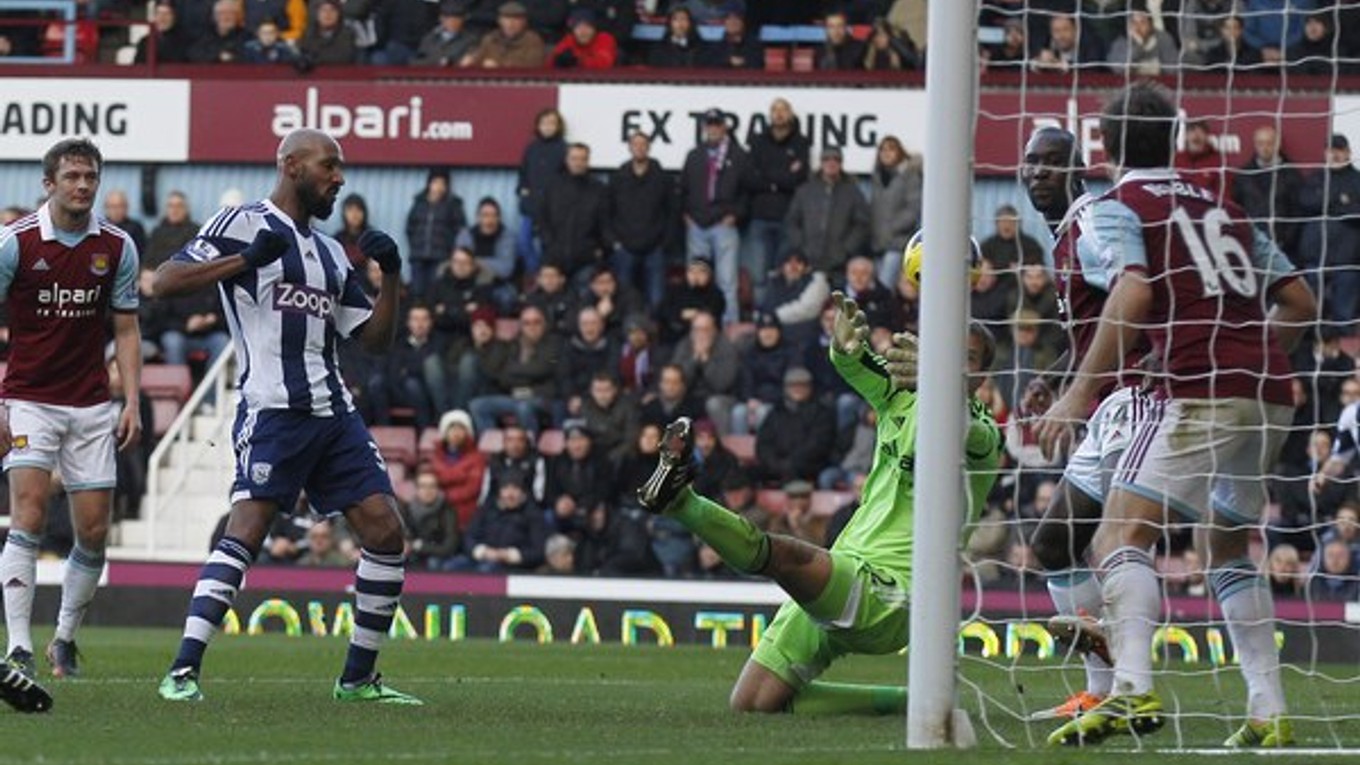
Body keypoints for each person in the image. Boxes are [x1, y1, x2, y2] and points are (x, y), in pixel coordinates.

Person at [1038, 82, 1317, 748]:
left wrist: (1078, 392)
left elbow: (1132, 288)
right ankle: (1268, 709)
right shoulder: (1225, 206)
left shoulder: (1115, 205)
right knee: (1223, 546)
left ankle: (1130, 691)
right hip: (1270, 390)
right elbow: (1301, 300)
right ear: (1174, 140)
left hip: (1196, 387)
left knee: (1117, 537)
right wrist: (1249, 355)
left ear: (1103, 145)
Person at [152, 129, 420, 705]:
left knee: (386, 531)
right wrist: (246, 261)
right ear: (291, 164)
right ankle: (181, 670)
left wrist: (391, 277)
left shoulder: (327, 252)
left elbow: (371, 340)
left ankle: (357, 680)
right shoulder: (241, 223)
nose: (339, 178)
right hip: (273, 408)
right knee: (246, 530)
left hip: (334, 414)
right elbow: (165, 281)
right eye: (330, 165)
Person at [636, 294, 1001, 714]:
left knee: (788, 556)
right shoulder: (898, 397)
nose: (953, 362)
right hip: (847, 567)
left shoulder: (984, 436)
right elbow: (855, 363)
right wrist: (843, 345)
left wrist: (940, 378)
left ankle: (682, 502)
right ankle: (916, 705)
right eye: (946, 350)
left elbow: (964, 426)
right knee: (753, 703)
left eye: (967, 358)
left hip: (898, 595)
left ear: (982, 376)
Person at [0, 139, 142, 711]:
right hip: (30, 397)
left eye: (90, 176)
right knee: (29, 512)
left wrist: (130, 399)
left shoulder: (118, 247)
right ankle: (18, 647)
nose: (83, 185)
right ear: (49, 183)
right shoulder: (16, 244)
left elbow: (126, 329)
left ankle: (63, 640)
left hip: (89, 404)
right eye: (73, 176)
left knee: (93, 531)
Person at [681, 109, 750, 324]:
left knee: (727, 281)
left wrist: (735, 215)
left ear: (724, 127)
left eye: (716, 124)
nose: (712, 129)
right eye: (709, 125)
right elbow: (682, 188)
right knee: (696, 280)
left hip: (723, 223)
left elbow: (748, 191)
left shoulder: (738, 155)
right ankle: (697, 326)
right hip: (697, 224)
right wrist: (686, 214)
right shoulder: (694, 155)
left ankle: (729, 329)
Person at [744, 99, 811, 304]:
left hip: (788, 217)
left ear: (790, 114)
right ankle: (762, 317)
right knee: (759, 274)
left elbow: (799, 178)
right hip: (760, 217)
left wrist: (769, 178)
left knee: (784, 273)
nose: (779, 114)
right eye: (775, 110)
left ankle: (779, 318)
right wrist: (782, 177)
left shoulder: (800, 142)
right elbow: (751, 178)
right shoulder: (757, 141)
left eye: (783, 110)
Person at [608, 131, 673, 307]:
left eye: (643, 144)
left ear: (649, 147)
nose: (639, 148)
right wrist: (614, 242)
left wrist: (664, 242)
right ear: (629, 147)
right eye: (635, 144)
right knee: (623, 298)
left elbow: (672, 211)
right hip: (624, 247)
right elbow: (607, 211)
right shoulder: (618, 177)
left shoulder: (662, 178)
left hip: (655, 247)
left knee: (657, 298)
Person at [784, 147, 870, 276]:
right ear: (821, 163)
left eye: (836, 159)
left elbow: (862, 224)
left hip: (840, 264)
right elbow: (792, 221)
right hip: (808, 261)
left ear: (841, 163)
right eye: (826, 159)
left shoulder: (853, 192)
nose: (831, 163)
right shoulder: (805, 190)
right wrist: (801, 247)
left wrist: (846, 249)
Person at [539, 143, 608, 283]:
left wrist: (601, 250)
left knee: (583, 300)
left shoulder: (598, 189)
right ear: (567, 160)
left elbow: (605, 222)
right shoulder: (553, 186)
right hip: (555, 259)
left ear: (588, 161)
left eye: (583, 159)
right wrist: (549, 245)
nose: (578, 163)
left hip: (587, 260)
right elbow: (542, 219)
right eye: (574, 158)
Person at [1233, 125, 1303, 261]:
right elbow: (1237, 208)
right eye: (1260, 143)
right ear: (1255, 145)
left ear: (1277, 144)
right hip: (1251, 246)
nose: (1265, 148)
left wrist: (1286, 240)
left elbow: (1298, 212)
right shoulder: (1244, 175)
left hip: (1283, 248)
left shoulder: (1291, 175)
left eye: (1269, 143)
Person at [515, 109, 567, 276]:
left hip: (553, 209)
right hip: (530, 206)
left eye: (552, 123)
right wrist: (523, 191)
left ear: (558, 126)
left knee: (548, 247)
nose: (548, 127)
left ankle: (548, 280)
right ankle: (535, 275)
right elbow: (523, 172)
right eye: (544, 123)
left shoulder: (564, 149)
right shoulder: (531, 148)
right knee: (524, 243)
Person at [868, 135, 922, 289]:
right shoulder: (877, 176)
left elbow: (913, 208)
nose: (886, 153)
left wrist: (892, 227)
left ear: (900, 152)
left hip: (897, 243)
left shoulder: (910, 175)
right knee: (878, 287)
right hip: (877, 244)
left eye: (891, 149)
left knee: (885, 287)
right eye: (883, 149)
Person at [404, 167, 467, 299]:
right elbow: (410, 227)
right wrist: (415, 245)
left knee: (434, 291)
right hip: (418, 256)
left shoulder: (453, 204)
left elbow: (460, 230)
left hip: (440, 257)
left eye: (443, 183)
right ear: (429, 183)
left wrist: (450, 250)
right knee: (416, 291)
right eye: (436, 182)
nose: (439, 187)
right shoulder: (419, 202)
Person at [459, 1, 545, 68]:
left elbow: (534, 65)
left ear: (524, 22)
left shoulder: (533, 40)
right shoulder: (490, 38)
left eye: (515, 20)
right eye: (506, 19)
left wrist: (500, 66)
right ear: (499, 21)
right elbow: (478, 58)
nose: (510, 24)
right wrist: (470, 60)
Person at [1106, 8, 1179, 76]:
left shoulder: (1163, 39)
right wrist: (1138, 46)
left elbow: (1172, 70)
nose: (1138, 27)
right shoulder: (1121, 42)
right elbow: (1117, 70)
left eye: (1142, 22)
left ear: (1150, 24)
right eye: (1134, 22)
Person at [413, 0, 479, 67]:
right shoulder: (430, 38)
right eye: (448, 18)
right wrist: (441, 61)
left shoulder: (471, 40)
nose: (452, 22)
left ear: (463, 19)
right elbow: (416, 62)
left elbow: (465, 62)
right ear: (441, 18)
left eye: (456, 18)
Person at [145, 191, 199, 270]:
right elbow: (148, 259)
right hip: (157, 275)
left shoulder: (195, 231)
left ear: (186, 209)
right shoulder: (157, 231)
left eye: (179, 206)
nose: (174, 210)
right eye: (171, 206)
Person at [550, 8, 617, 69]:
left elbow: (604, 63)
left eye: (587, 26)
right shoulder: (569, 40)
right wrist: (557, 62)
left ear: (595, 28)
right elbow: (549, 64)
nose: (583, 31)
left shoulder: (604, 38)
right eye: (578, 27)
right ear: (573, 30)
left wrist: (578, 61)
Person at [298, 0, 358, 65]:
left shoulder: (347, 35)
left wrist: (313, 59)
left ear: (338, 14)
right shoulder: (308, 34)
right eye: (323, 10)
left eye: (332, 10)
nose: (328, 14)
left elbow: (343, 58)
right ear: (317, 14)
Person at [103, 189, 147, 255]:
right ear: (106, 208)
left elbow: (141, 254)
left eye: (119, 206)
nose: (116, 210)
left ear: (126, 207)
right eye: (112, 206)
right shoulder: (100, 228)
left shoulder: (136, 228)